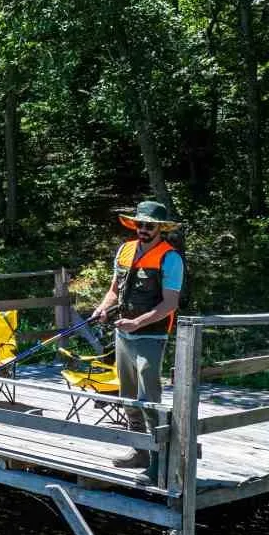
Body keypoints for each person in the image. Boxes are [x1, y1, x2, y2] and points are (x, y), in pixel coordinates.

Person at [87, 200, 186, 473]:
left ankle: (159, 460)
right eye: (140, 223)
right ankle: (139, 451)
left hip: (151, 337)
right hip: (123, 335)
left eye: (149, 225)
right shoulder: (125, 250)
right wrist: (103, 308)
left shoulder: (170, 258)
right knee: (128, 395)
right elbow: (114, 290)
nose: (143, 228)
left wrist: (137, 322)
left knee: (148, 398)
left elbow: (170, 304)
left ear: (160, 229)